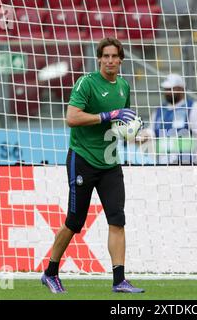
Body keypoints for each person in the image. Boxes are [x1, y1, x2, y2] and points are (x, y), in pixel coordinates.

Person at [41, 37, 144, 294]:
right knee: (74, 222)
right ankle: (50, 273)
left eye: (114, 56)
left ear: (121, 60)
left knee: (117, 220)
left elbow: (121, 124)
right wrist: (107, 116)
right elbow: (71, 118)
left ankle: (119, 280)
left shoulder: (123, 86)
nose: (109, 60)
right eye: (105, 56)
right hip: (83, 160)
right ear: (99, 58)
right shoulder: (86, 83)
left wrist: (134, 134)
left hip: (110, 163)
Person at [137, 73, 197, 165]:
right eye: (166, 89)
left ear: (181, 89)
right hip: (162, 166)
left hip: (189, 165)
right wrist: (136, 136)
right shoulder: (158, 111)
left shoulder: (194, 108)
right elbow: (150, 134)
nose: (168, 92)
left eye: (171, 89)